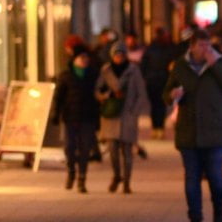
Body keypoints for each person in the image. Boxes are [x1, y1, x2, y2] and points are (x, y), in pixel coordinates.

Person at [165, 30, 222, 222]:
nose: (205, 50)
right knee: (191, 180)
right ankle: (195, 221)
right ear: (192, 46)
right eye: (201, 46)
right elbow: (167, 92)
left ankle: (219, 211)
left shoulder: (220, 63)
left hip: (215, 132)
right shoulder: (181, 66)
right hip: (188, 132)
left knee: (216, 178)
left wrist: (215, 63)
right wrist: (172, 94)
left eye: (208, 45)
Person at [95, 43, 150, 194]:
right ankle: (116, 175)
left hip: (128, 116)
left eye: (121, 54)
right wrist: (107, 96)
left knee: (127, 150)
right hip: (111, 115)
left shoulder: (133, 71)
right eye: (116, 55)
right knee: (112, 150)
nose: (119, 57)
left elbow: (141, 93)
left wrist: (134, 112)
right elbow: (97, 91)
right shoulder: (106, 71)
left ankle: (127, 181)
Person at [53, 46, 100, 193]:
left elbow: (98, 96)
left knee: (85, 149)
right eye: (81, 58)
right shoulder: (65, 76)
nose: (84, 60)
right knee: (69, 147)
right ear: (75, 60)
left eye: (86, 58)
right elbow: (58, 97)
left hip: (88, 118)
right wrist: (56, 114)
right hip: (70, 117)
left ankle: (82, 179)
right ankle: (71, 171)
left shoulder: (93, 75)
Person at [141, 28, 176, 139]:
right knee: (157, 105)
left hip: (159, 81)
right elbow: (144, 65)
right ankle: (157, 127)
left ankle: (158, 127)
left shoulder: (156, 49)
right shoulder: (159, 49)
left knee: (158, 105)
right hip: (157, 80)